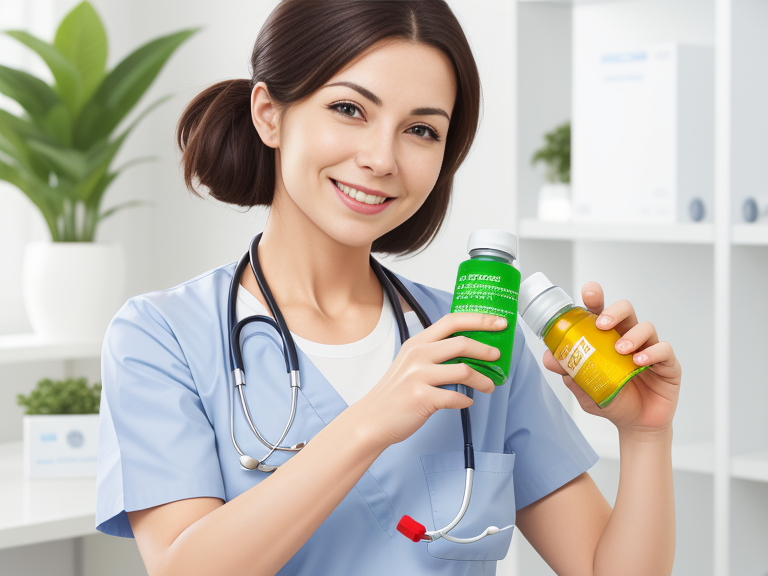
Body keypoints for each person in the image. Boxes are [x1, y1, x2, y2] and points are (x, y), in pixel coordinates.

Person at [95, 1, 683, 575]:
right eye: (350, 109)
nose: (381, 158)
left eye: (421, 129)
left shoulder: (476, 339)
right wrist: (372, 419)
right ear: (269, 114)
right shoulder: (160, 336)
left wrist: (645, 435)